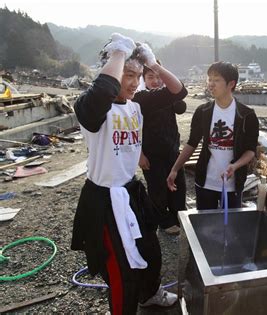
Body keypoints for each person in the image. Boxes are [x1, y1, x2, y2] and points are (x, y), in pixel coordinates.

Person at [70, 33, 187, 313]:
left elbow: (178, 91)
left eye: (138, 75)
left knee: (151, 251)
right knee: (121, 271)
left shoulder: (137, 105)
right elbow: (101, 92)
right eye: (128, 75)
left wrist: (152, 63)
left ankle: (149, 294)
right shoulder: (92, 107)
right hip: (104, 199)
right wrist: (119, 53)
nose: (134, 83)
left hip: (131, 191)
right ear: (110, 71)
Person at [167, 61, 259, 210]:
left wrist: (235, 166)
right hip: (205, 182)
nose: (211, 84)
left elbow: (250, 150)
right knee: (205, 227)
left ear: (231, 84)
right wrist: (175, 169)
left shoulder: (247, 115)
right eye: (209, 79)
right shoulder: (203, 111)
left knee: (230, 227)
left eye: (216, 80)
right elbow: (192, 143)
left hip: (232, 185)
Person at [138, 61, 187, 235]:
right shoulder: (139, 98)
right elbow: (133, 130)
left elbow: (181, 107)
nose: (155, 81)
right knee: (157, 188)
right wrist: (140, 154)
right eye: (151, 77)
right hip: (151, 153)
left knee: (178, 186)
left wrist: (169, 90)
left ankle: (178, 216)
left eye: (159, 77)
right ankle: (164, 221)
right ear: (143, 79)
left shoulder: (166, 96)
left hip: (172, 149)